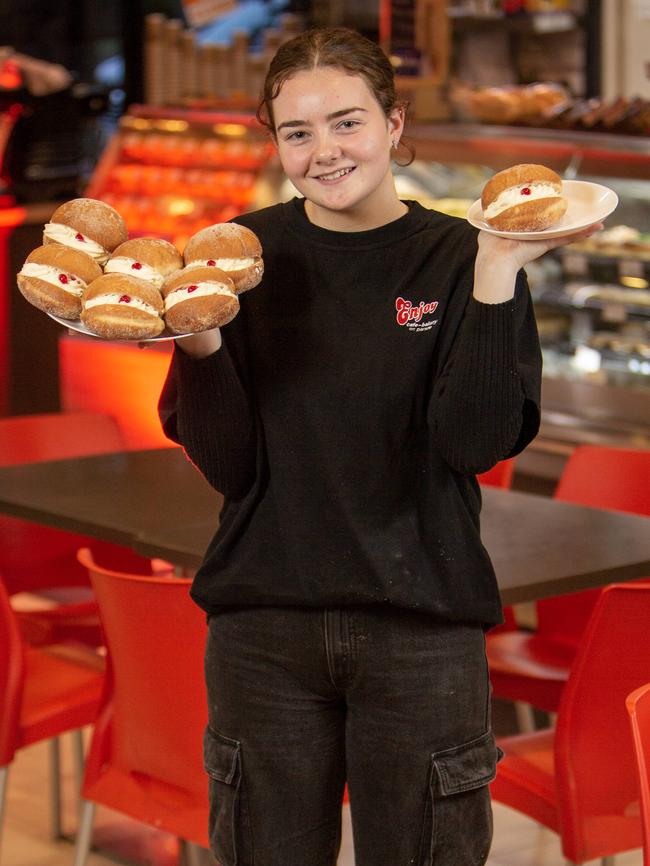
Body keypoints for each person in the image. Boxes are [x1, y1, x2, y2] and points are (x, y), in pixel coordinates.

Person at [158, 26, 600, 866]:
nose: (324, 151)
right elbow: (230, 469)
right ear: (276, 139)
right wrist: (199, 339)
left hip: (422, 632)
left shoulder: (465, 256)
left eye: (346, 122)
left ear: (395, 123)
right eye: (297, 132)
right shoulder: (234, 257)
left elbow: (473, 444)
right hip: (263, 630)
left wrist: (499, 268)